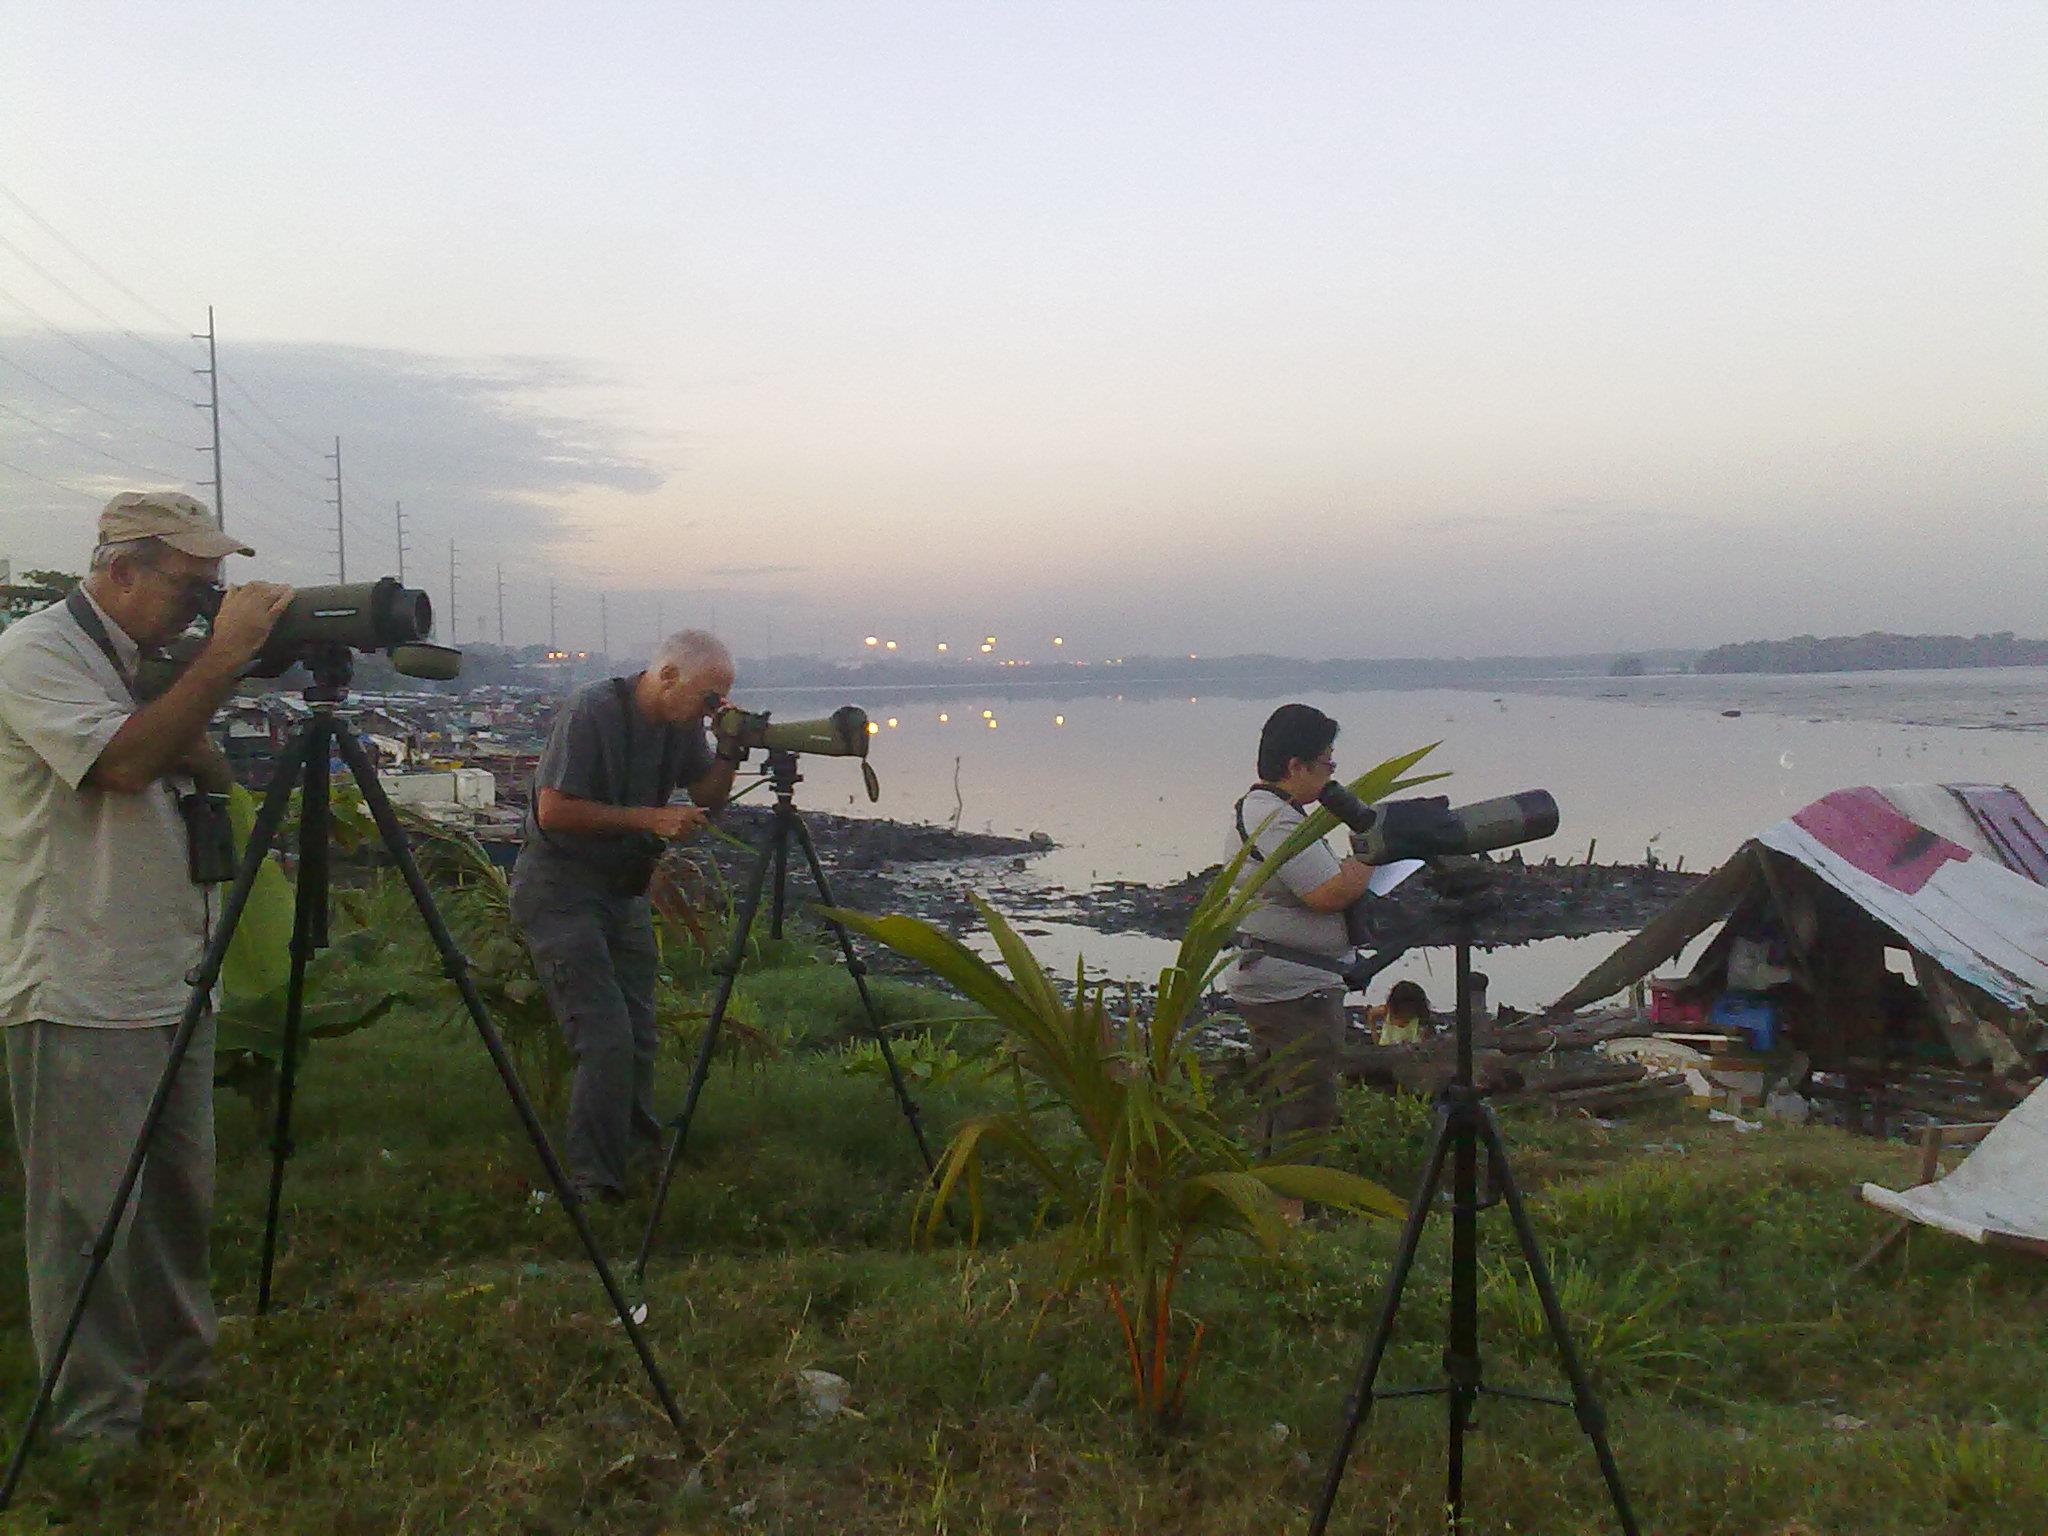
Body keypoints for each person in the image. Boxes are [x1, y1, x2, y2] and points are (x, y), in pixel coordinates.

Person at [0, 491, 292, 1449]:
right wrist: (222, 658)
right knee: (85, 1215)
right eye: (191, 586)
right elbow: (121, 768)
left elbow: (179, 764)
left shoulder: (141, 663)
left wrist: (205, 733)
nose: (204, 607)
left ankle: (180, 1378)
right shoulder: (37, 654)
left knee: (176, 1197)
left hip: (169, 967)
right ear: (118, 569)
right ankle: (95, 1426)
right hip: (79, 976)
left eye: (215, 590)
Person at [510, 629, 741, 1203]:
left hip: (623, 892)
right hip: (561, 888)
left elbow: (708, 794)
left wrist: (734, 745)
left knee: (639, 1035)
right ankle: (593, 1184)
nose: (708, 709)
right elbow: (554, 810)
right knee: (605, 1036)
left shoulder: (681, 724)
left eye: (719, 700)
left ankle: (636, 1158)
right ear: (667, 676)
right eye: (707, 697)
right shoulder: (591, 711)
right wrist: (652, 820)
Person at [1225, 703, 1376, 1155]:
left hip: (1287, 983)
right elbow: (1328, 894)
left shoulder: (1268, 810)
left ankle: (1276, 1207)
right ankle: (1290, 1212)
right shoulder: (1274, 818)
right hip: (1294, 994)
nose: (1332, 774)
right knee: (1304, 1109)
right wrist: (1372, 855)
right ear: (1296, 766)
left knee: (1281, 1102)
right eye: (1328, 762)